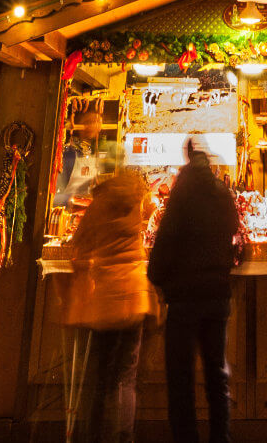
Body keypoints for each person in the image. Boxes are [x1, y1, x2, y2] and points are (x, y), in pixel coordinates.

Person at [148, 137, 242, 443]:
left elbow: (165, 240)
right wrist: (227, 273)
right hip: (216, 296)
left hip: (184, 300)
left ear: (188, 159)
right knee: (217, 373)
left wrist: (158, 277)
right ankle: (221, 437)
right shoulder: (222, 192)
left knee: (181, 377)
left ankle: (186, 438)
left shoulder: (182, 194)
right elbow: (236, 235)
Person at [67, 164, 155, 443]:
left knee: (100, 379)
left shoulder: (99, 206)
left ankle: (93, 436)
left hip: (106, 302)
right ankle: (124, 438)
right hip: (134, 299)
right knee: (126, 379)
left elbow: (79, 246)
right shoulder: (136, 206)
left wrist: (81, 274)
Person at [55, 105, 104, 207]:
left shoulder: (89, 151)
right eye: (90, 121)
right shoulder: (69, 153)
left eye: (98, 122)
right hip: (59, 209)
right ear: (79, 124)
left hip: (74, 211)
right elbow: (55, 191)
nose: (96, 125)